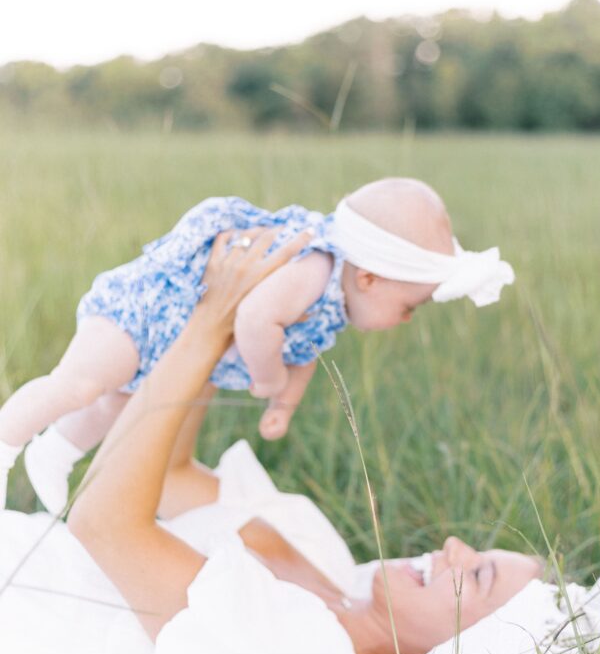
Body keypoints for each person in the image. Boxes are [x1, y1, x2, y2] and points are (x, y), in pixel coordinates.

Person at [0, 229, 538, 654]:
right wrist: (236, 318)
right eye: (477, 551)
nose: (452, 547)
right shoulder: (324, 553)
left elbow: (102, 523)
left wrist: (208, 326)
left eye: (477, 575)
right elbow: (168, 476)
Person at [0, 177, 514, 513]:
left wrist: (282, 405)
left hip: (170, 340)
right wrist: (267, 378)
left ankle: (56, 454)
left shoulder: (331, 307)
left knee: (116, 404)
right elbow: (255, 317)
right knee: (81, 384)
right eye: (410, 307)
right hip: (144, 311)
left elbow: (303, 355)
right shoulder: (314, 268)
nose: (405, 321)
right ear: (371, 279)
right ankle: (5, 444)